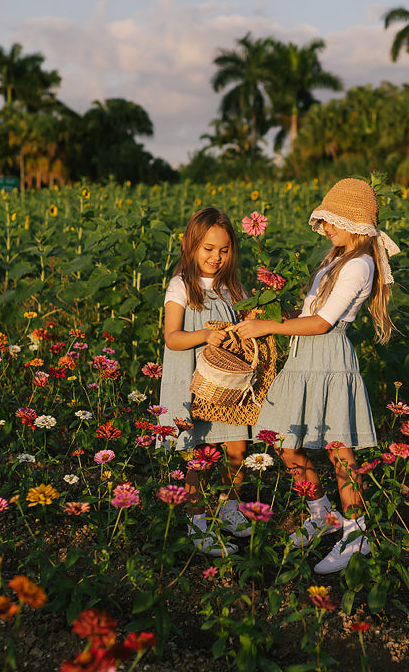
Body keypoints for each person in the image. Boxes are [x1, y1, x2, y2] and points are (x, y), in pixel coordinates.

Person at [234, 178, 399, 574]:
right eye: (324, 220)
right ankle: (321, 513)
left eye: (332, 220)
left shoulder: (360, 264)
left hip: (328, 360)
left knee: (340, 452)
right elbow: (309, 315)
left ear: (355, 222)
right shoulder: (334, 259)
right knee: (284, 440)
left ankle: (357, 534)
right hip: (303, 358)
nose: (325, 227)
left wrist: (269, 329)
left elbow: (324, 323)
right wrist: (276, 316)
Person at [158, 207, 253, 557]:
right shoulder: (181, 286)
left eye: (224, 250)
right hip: (194, 383)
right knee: (199, 454)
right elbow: (172, 338)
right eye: (208, 248)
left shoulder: (232, 287)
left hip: (227, 384)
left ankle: (229, 509)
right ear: (191, 246)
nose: (216, 257)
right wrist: (204, 335)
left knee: (236, 446)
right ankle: (197, 523)